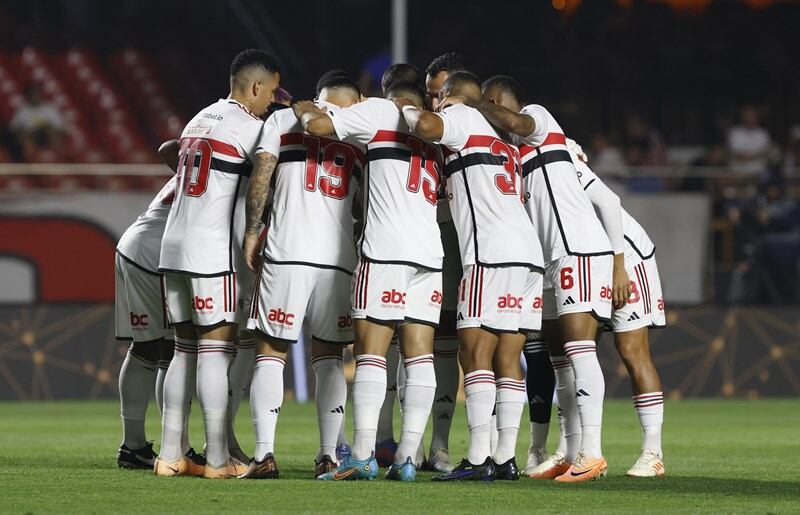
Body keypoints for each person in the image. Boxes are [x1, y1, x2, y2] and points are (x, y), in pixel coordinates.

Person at [468, 75, 620, 482]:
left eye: (488, 105)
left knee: (579, 347)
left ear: (496, 101)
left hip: (578, 247)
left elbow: (515, 122)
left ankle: (593, 451)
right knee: (558, 358)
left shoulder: (536, 116)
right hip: (550, 258)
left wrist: (471, 105)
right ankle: (570, 450)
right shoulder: (513, 153)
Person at [295, 80, 443, 482]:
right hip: (429, 257)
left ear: (391, 93)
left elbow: (321, 128)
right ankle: (408, 457)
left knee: (371, 353)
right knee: (419, 356)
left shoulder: (381, 112)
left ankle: (361, 455)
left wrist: (306, 107)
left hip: (385, 252)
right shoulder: (436, 135)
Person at [404, 71, 544, 481]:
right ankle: (505, 459)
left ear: (450, 95)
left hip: (491, 254)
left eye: (440, 96)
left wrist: (408, 111)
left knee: (474, 353)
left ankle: (479, 457)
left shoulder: (462, 116)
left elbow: (428, 126)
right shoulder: (503, 138)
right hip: (527, 255)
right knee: (507, 358)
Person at [155, 49, 281, 479]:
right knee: (215, 350)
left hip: (172, 245)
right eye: (271, 93)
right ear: (257, 86)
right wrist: (253, 232)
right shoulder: (252, 126)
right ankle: (217, 459)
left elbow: (171, 155)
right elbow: (261, 179)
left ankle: (170, 455)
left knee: (182, 349)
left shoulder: (199, 117)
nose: (272, 103)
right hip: (209, 250)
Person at [240, 70, 365, 479]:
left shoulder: (283, 120)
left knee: (271, 353)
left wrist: (253, 230)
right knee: (329, 357)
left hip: (287, 253)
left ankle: (264, 455)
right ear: (355, 99)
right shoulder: (360, 132)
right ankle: (328, 454)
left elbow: (262, 174)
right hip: (338, 260)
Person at [566, 139, 667, 477]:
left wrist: (618, 266)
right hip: (589, 260)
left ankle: (653, 452)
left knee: (632, 351)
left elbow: (610, 202)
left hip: (626, 257)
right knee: (577, 350)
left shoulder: (566, 165)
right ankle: (580, 450)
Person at [115, 142, 205, 472]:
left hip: (138, 245)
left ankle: (142, 446)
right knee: (163, 348)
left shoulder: (210, 161)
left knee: (161, 348)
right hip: (155, 251)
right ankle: (154, 446)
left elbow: (168, 149)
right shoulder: (234, 164)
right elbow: (167, 149)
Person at [9, 82, 65, 158]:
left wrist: (46, 128)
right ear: (28, 96)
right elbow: (13, 128)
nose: (35, 96)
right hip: (30, 136)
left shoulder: (50, 108)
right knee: (20, 132)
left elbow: (60, 128)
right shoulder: (22, 110)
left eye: (37, 94)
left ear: (41, 94)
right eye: (32, 94)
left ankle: (58, 156)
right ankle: (31, 158)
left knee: (50, 129)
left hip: (47, 137)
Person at [727, 105, 772, 177]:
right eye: (747, 115)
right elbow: (738, 156)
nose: (750, 117)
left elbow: (767, 154)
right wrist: (759, 154)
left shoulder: (763, 133)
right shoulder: (735, 132)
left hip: (759, 173)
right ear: (742, 116)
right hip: (738, 173)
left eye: (752, 115)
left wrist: (747, 156)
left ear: (757, 116)